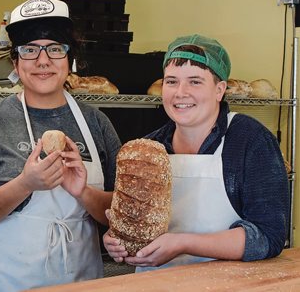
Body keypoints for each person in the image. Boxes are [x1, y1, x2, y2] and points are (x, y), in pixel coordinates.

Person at [0, 0, 122, 291]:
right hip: (3, 282)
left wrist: (83, 193)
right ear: (15, 62)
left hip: (80, 281)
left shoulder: (97, 123)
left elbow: (121, 209)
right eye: (30, 50)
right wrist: (24, 184)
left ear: (70, 60)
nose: (42, 61)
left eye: (55, 49)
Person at [103, 34, 290, 271]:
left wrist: (183, 243)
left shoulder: (250, 141)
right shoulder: (149, 149)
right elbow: (134, 226)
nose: (180, 92)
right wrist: (117, 240)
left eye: (195, 81)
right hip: (155, 284)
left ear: (219, 90)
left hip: (229, 286)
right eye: (171, 82)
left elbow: (268, 236)